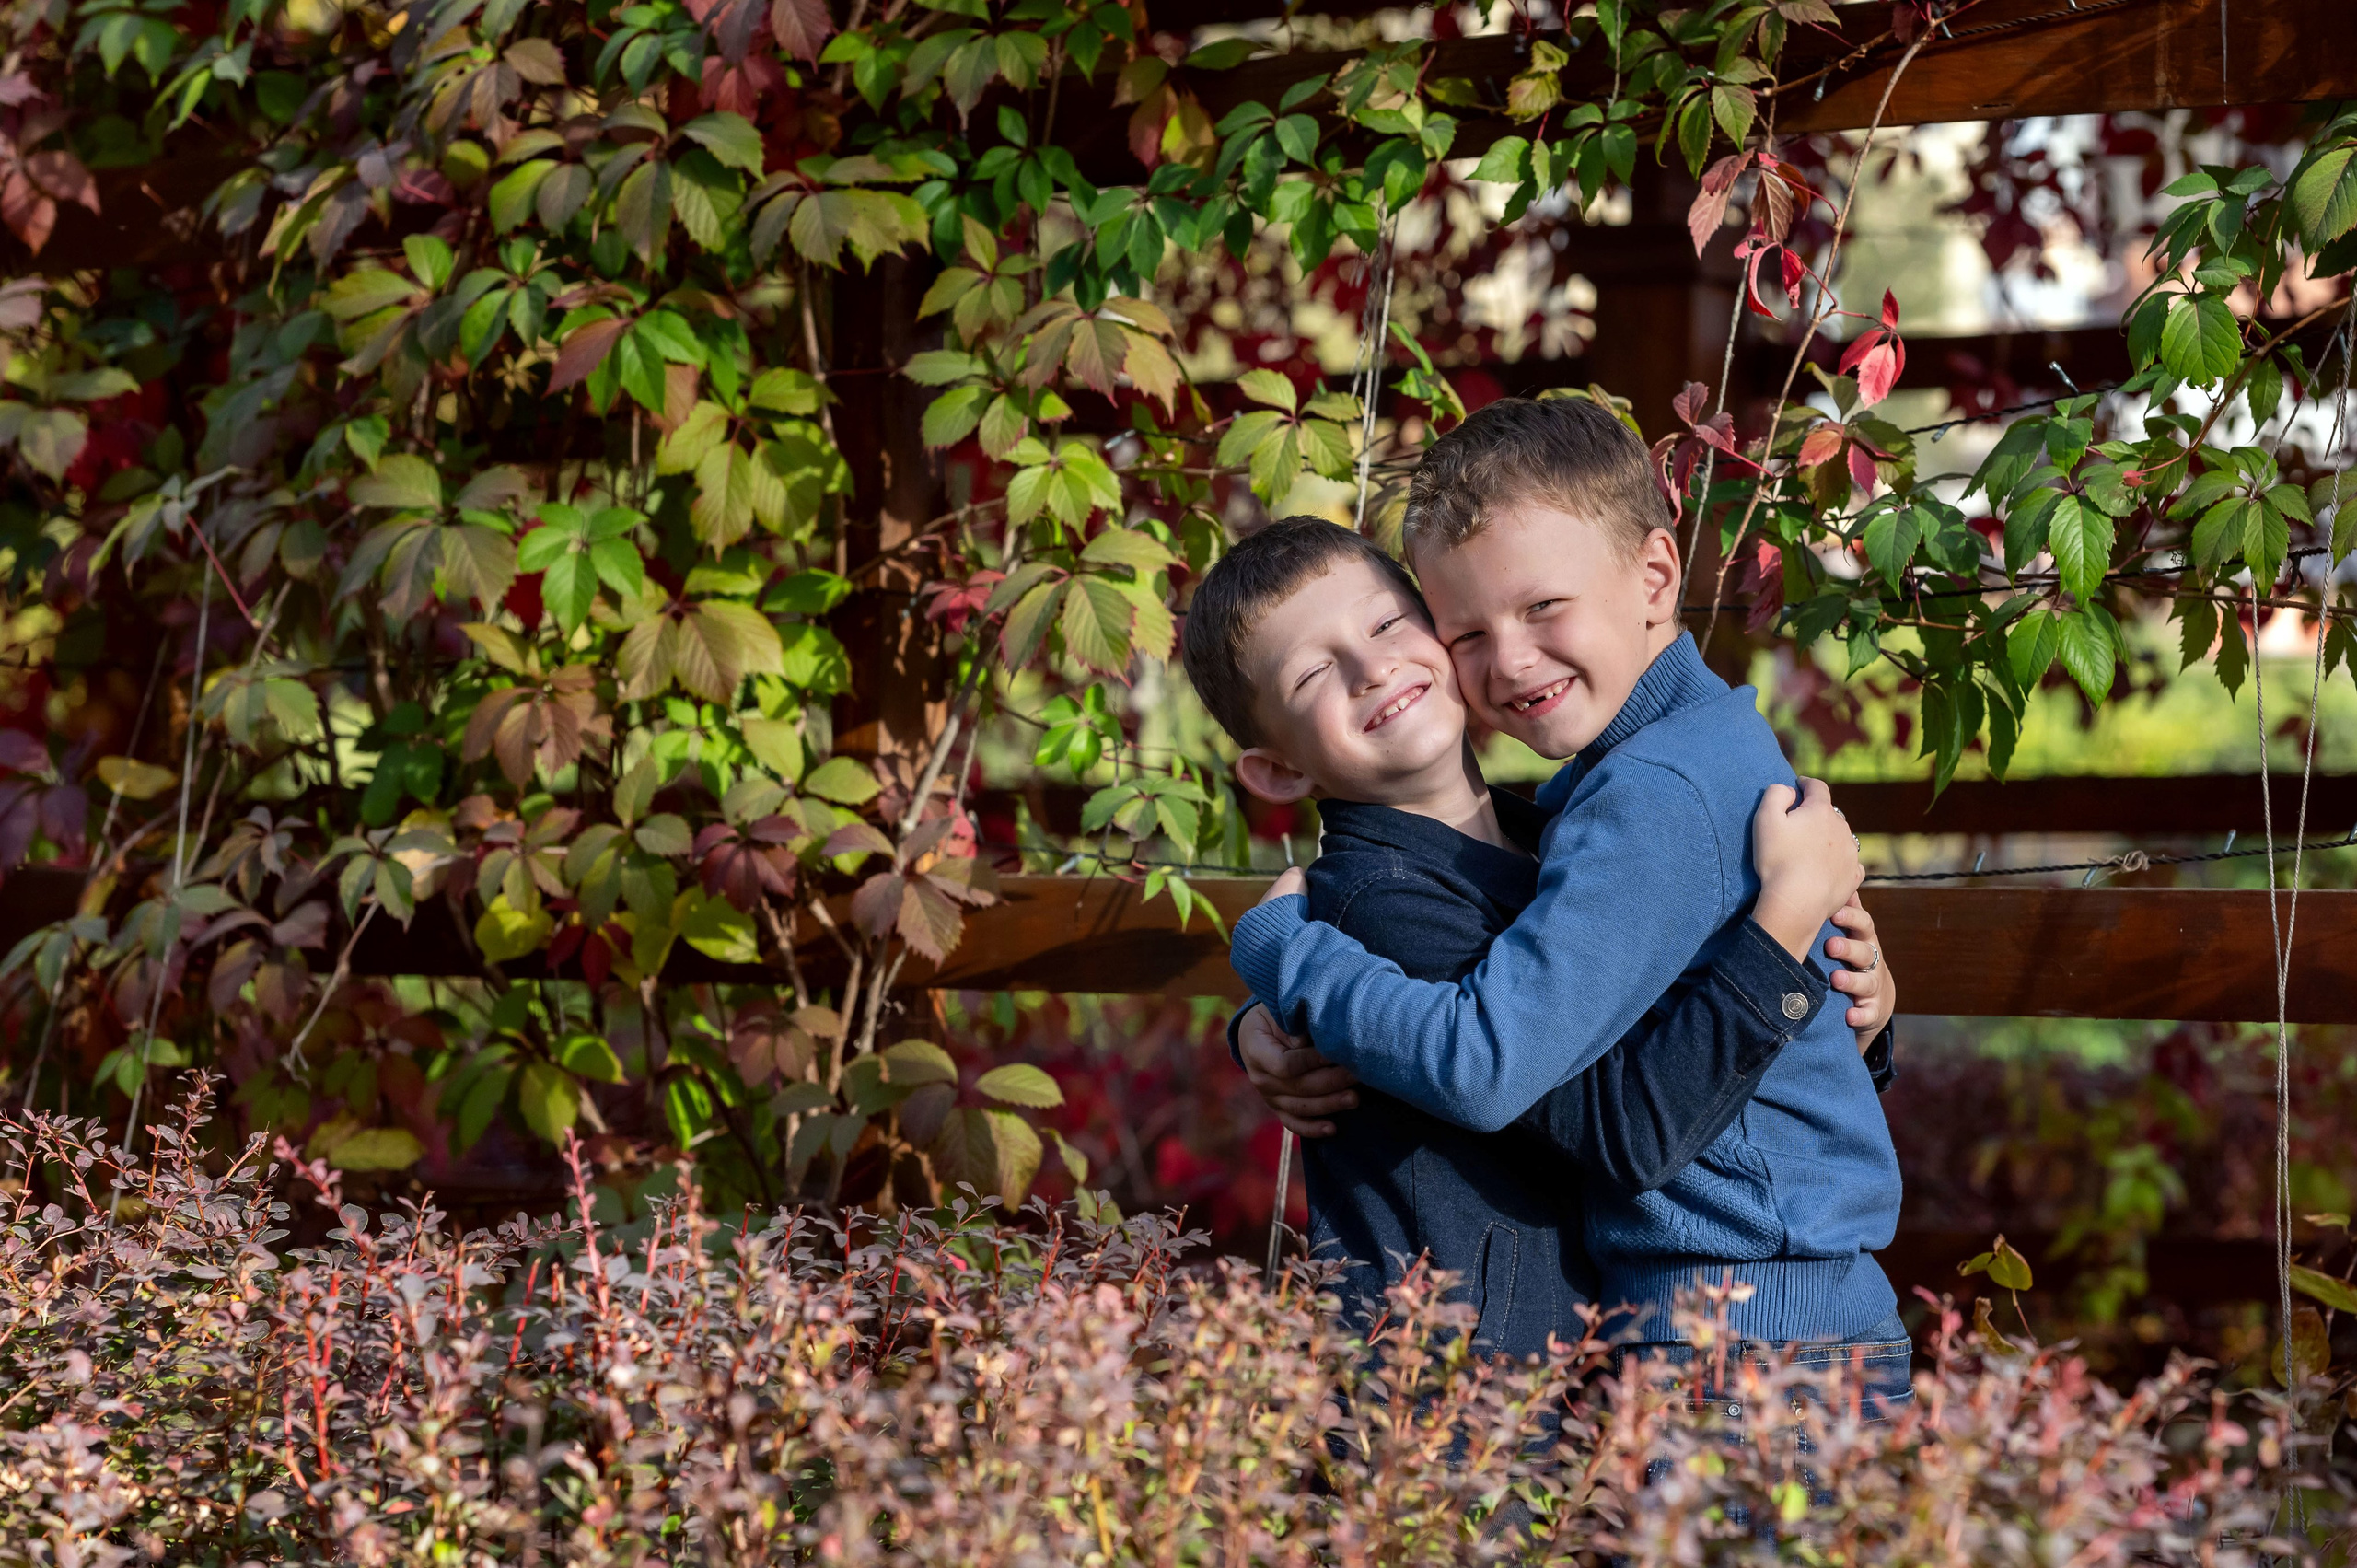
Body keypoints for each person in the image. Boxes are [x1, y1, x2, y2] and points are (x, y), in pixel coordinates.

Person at [1225, 400, 1911, 1413]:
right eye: (1466, 630)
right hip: (1771, 1314)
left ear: (1654, 576)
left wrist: (1286, 956)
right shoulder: (1661, 766)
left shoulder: (1647, 796)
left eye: (1543, 607)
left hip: (1741, 1329)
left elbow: (1514, 1070)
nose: (1508, 659)